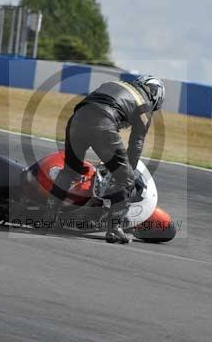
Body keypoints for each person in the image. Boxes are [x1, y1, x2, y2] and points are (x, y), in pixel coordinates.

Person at [47, 75, 165, 243]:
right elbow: (136, 144)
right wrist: (128, 172)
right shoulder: (144, 105)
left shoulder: (113, 84)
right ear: (156, 96)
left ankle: (48, 217)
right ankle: (115, 228)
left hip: (76, 120)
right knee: (125, 179)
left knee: (70, 170)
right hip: (102, 124)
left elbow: (89, 104)